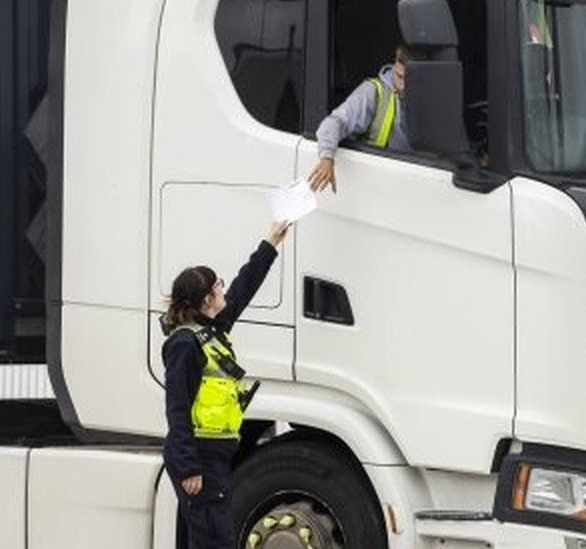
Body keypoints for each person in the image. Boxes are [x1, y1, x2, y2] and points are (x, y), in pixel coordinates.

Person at [161, 220, 292, 549]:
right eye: (219, 286)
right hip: (200, 459)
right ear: (207, 299)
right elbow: (177, 409)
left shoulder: (213, 329)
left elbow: (245, 285)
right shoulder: (185, 345)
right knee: (216, 542)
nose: (224, 289)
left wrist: (271, 241)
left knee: (209, 539)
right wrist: (189, 467)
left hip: (214, 456)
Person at [309, 44, 413, 193]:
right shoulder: (373, 92)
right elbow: (335, 122)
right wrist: (327, 158)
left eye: (409, 80)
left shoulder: (429, 97)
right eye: (399, 76)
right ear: (395, 64)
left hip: (410, 180)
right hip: (377, 182)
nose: (402, 86)